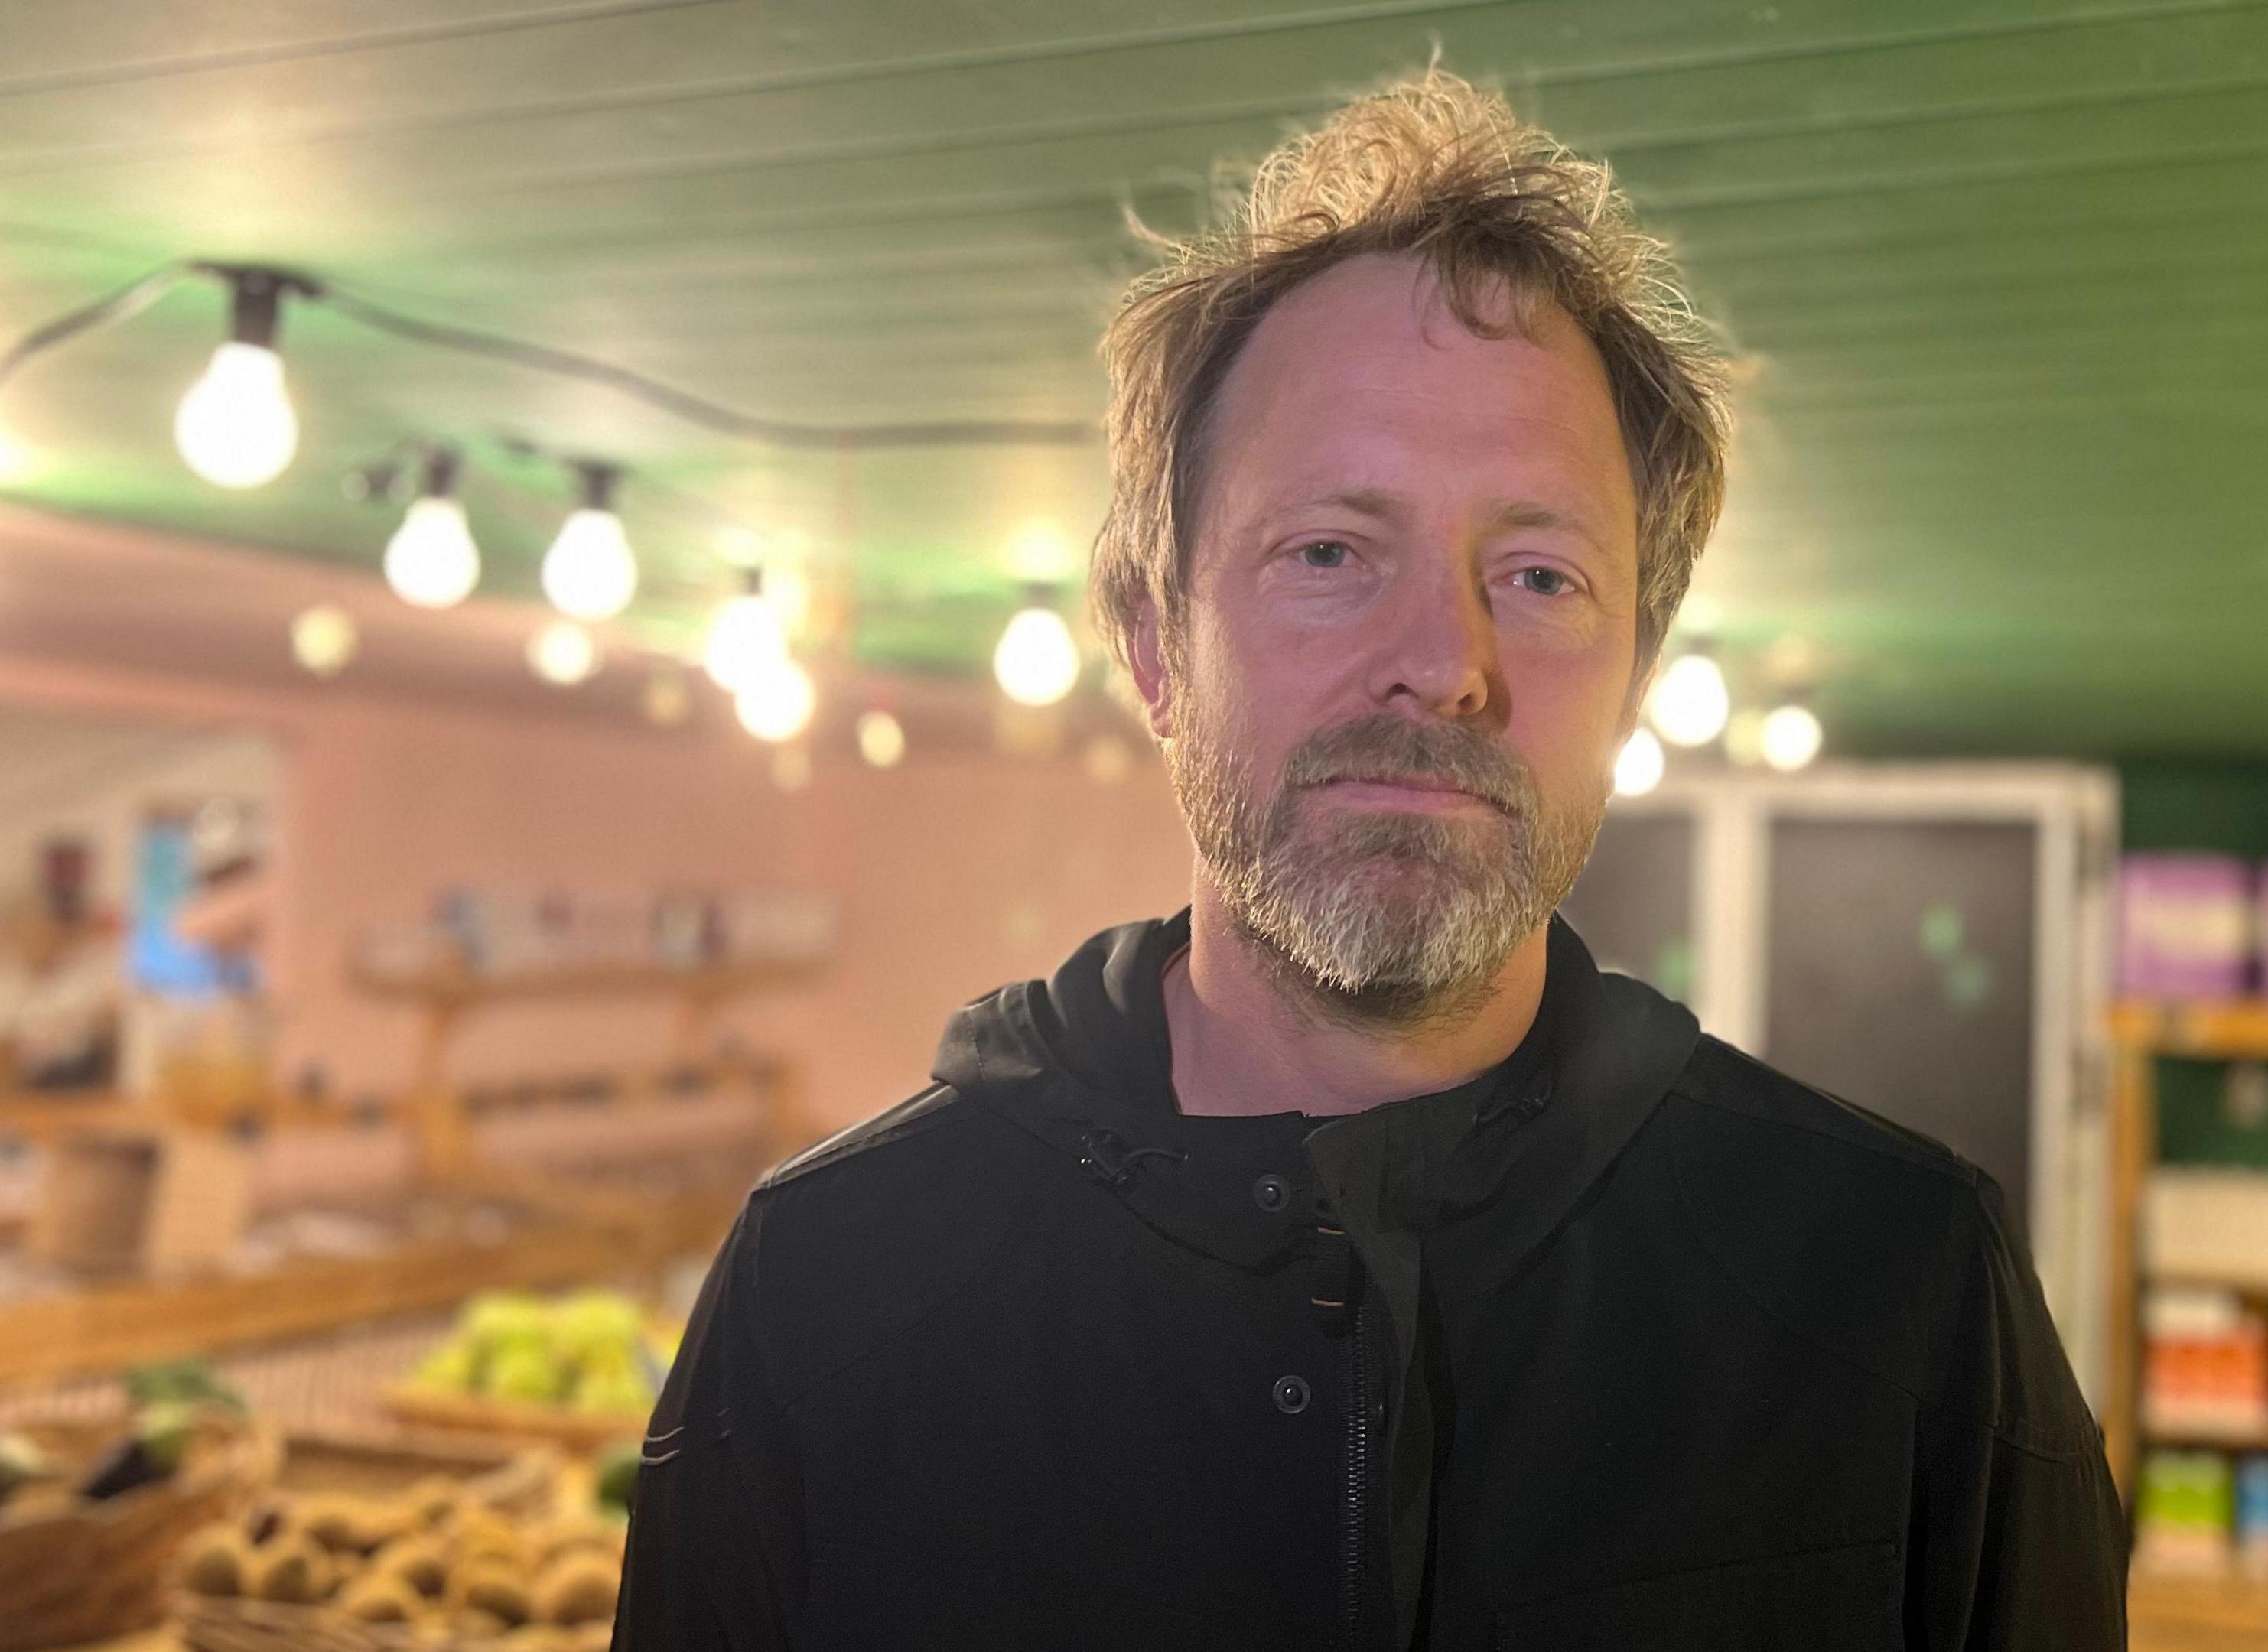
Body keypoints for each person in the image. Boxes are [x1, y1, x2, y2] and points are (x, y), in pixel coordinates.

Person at [612, 70, 2126, 1652]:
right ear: (1153, 642)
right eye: (1329, 553)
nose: (1446, 663)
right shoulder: (834, 1287)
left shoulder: (1899, 1292)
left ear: (1638, 666)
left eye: (1540, 575)